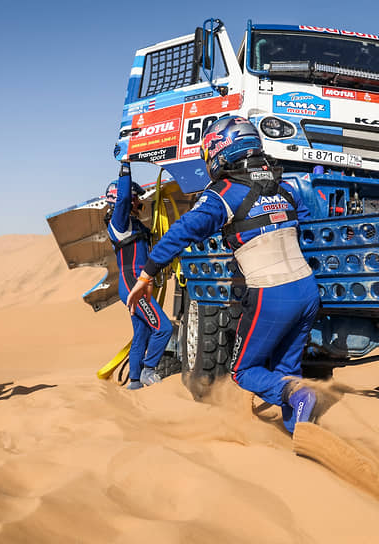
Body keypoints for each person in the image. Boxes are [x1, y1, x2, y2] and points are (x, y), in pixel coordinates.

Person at [126, 116, 321, 433]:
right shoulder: (284, 187)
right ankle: (302, 435)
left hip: (272, 293)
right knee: (287, 367)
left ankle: (296, 396)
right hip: (308, 291)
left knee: (244, 371)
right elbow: (309, 223)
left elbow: (180, 233)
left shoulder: (223, 194)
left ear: (218, 150)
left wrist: (147, 275)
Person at [106, 162, 172, 390]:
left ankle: (134, 383)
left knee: (142, 333)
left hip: (138, 284)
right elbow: (123, 199)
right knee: (164, 328)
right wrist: (125, 165)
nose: (137, 201)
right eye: (135, 197)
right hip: (132, 283)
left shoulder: (132, 223)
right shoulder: (119, 222)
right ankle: (148, 370)